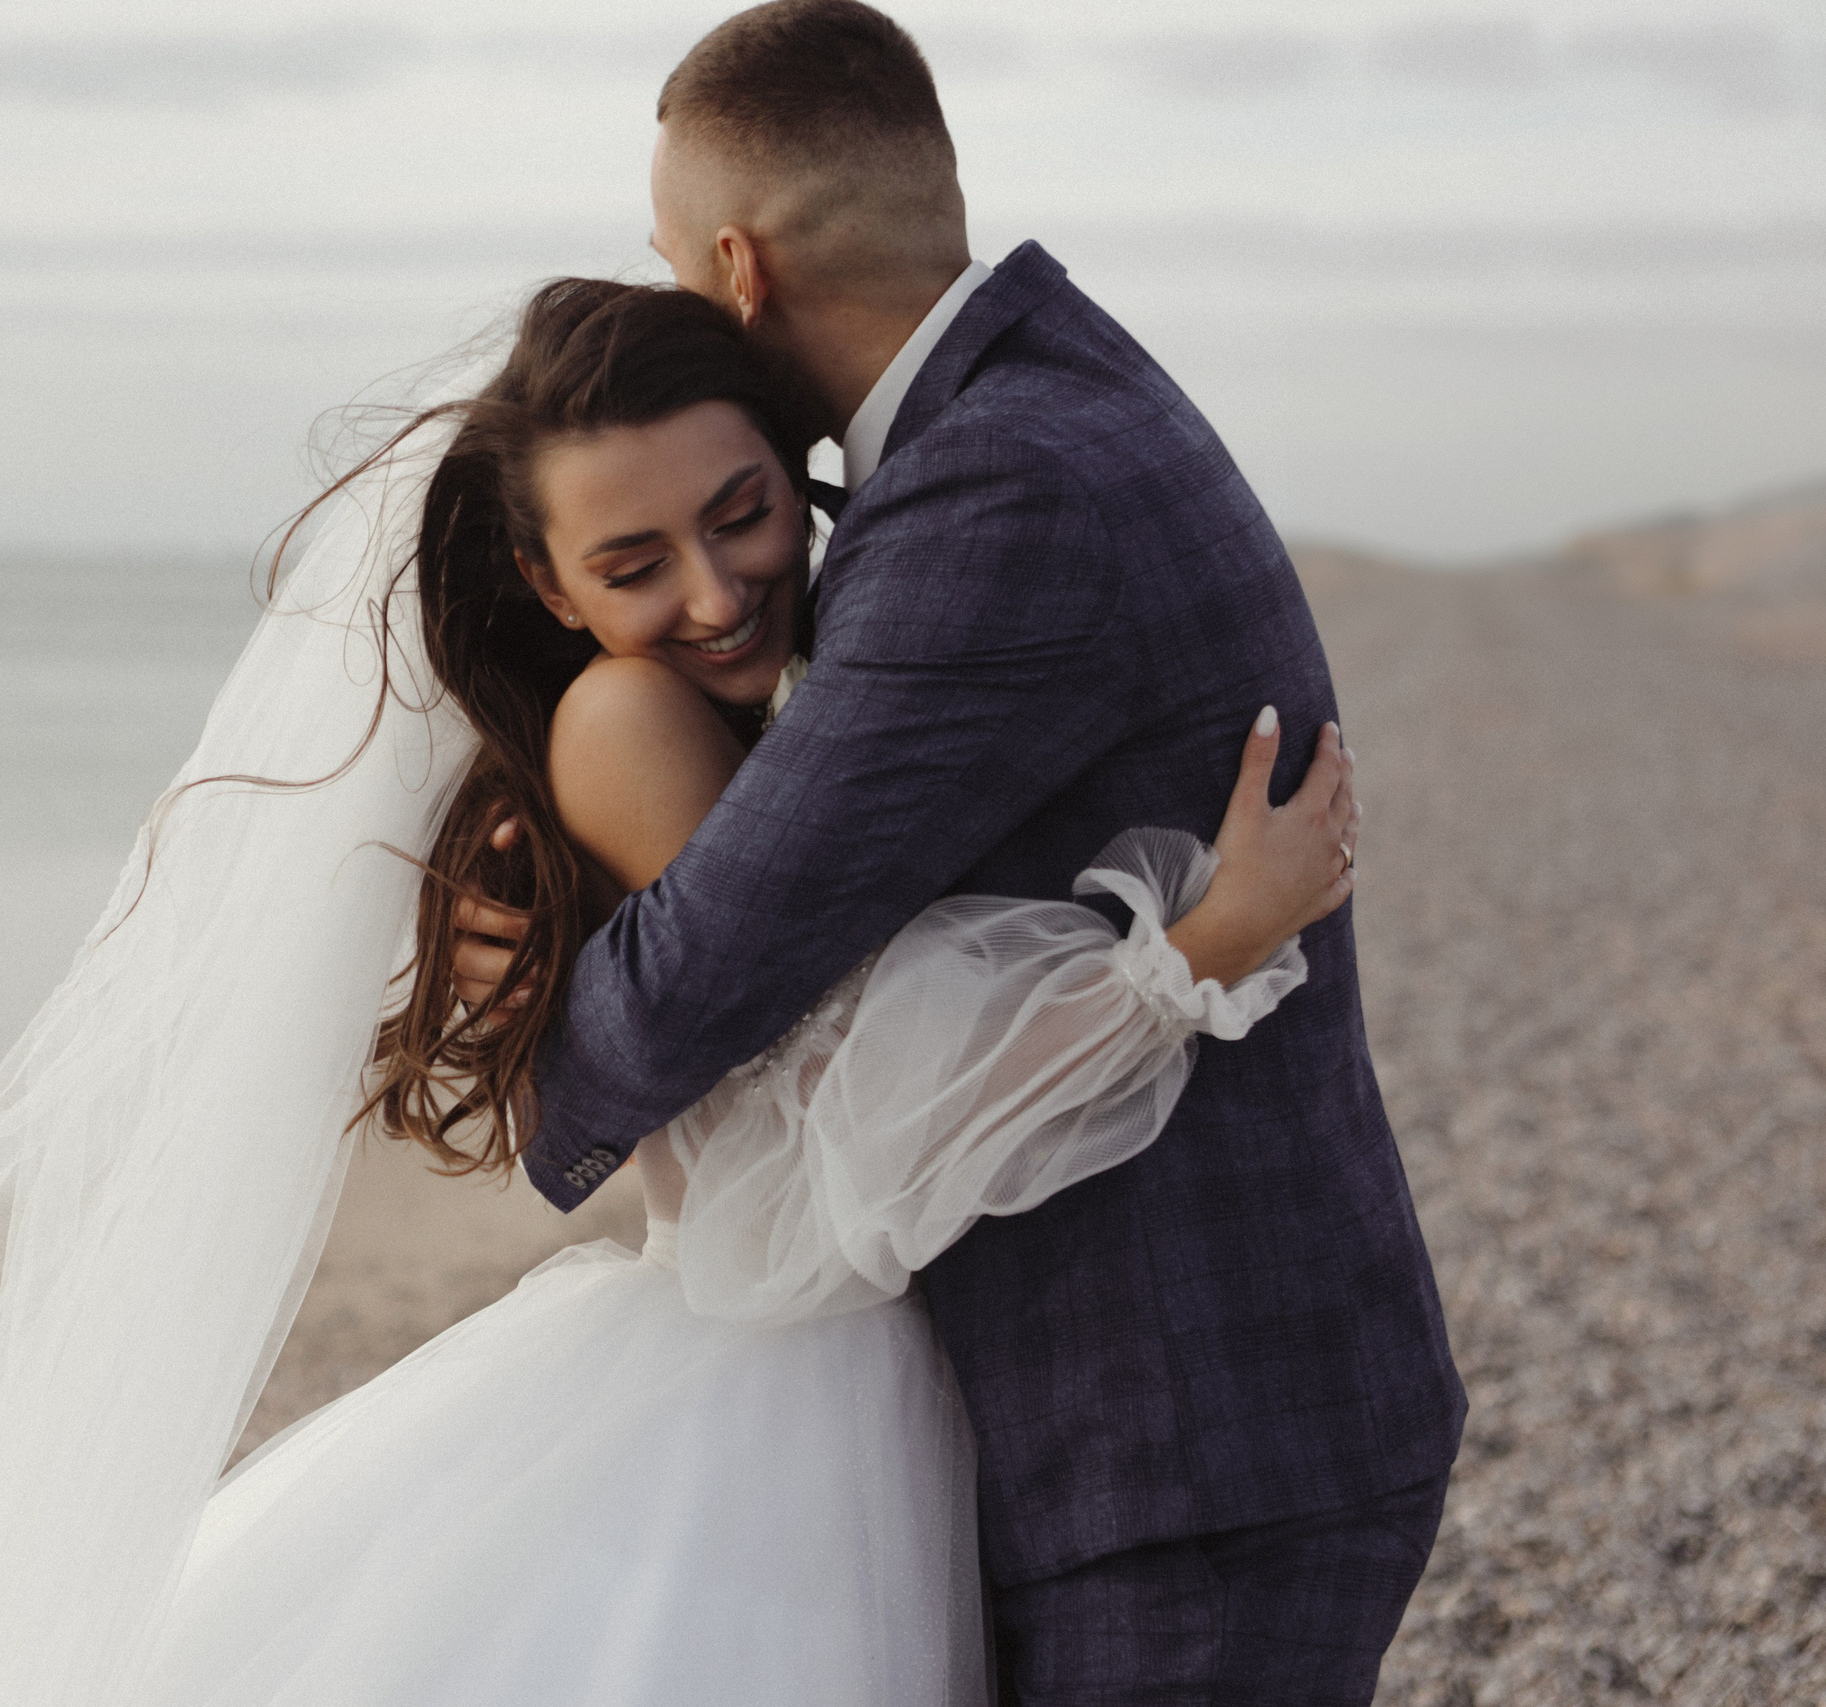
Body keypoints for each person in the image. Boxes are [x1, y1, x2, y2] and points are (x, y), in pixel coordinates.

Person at [0, 273, 1359, 1707]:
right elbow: (837, 1140)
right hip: (778, 1389)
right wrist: (1195, 954)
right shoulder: (631, 727)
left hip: (809, 1374)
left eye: (741, 515)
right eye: (636, 560)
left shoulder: (742, 702)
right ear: (549, 581)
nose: (718, 591)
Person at [452, 4, 1467, 1702]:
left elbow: (717, 974)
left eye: (673, 268)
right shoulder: (1041, 406)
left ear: (739, 267)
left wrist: (525, 1013)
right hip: (1171, 1418)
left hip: (1191, 1438)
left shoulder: (1000, 492)